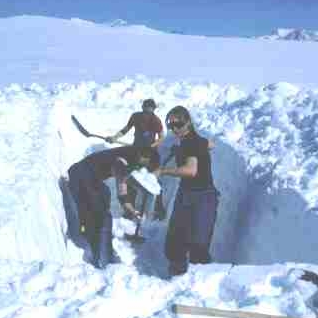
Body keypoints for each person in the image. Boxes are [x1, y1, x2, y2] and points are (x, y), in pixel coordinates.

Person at [68, 146, 160, 269]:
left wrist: (132, 211)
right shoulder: (125, 159)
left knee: (104, 195)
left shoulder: (131, 155)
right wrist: (135, 185)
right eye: (146, 165)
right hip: (80, 175)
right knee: (102, 216)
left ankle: (95, 242)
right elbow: (121, 182)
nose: (144, 168)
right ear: (145, 157)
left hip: (89, 177)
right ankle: (101, 258)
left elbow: (122, 191)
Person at [155, 106, 219, 277]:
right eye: (171, 125)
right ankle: (177, 277)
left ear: (188, 121)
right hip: (186, 193)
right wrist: (190, 149)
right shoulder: (192, 141)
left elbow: (191, 170)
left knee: (198, 244)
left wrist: (163, 171)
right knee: (175, 240)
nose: (175, 128)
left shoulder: (192, 142)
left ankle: (198, 283)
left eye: (179, 124)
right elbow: (209, 144)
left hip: (203, 197)